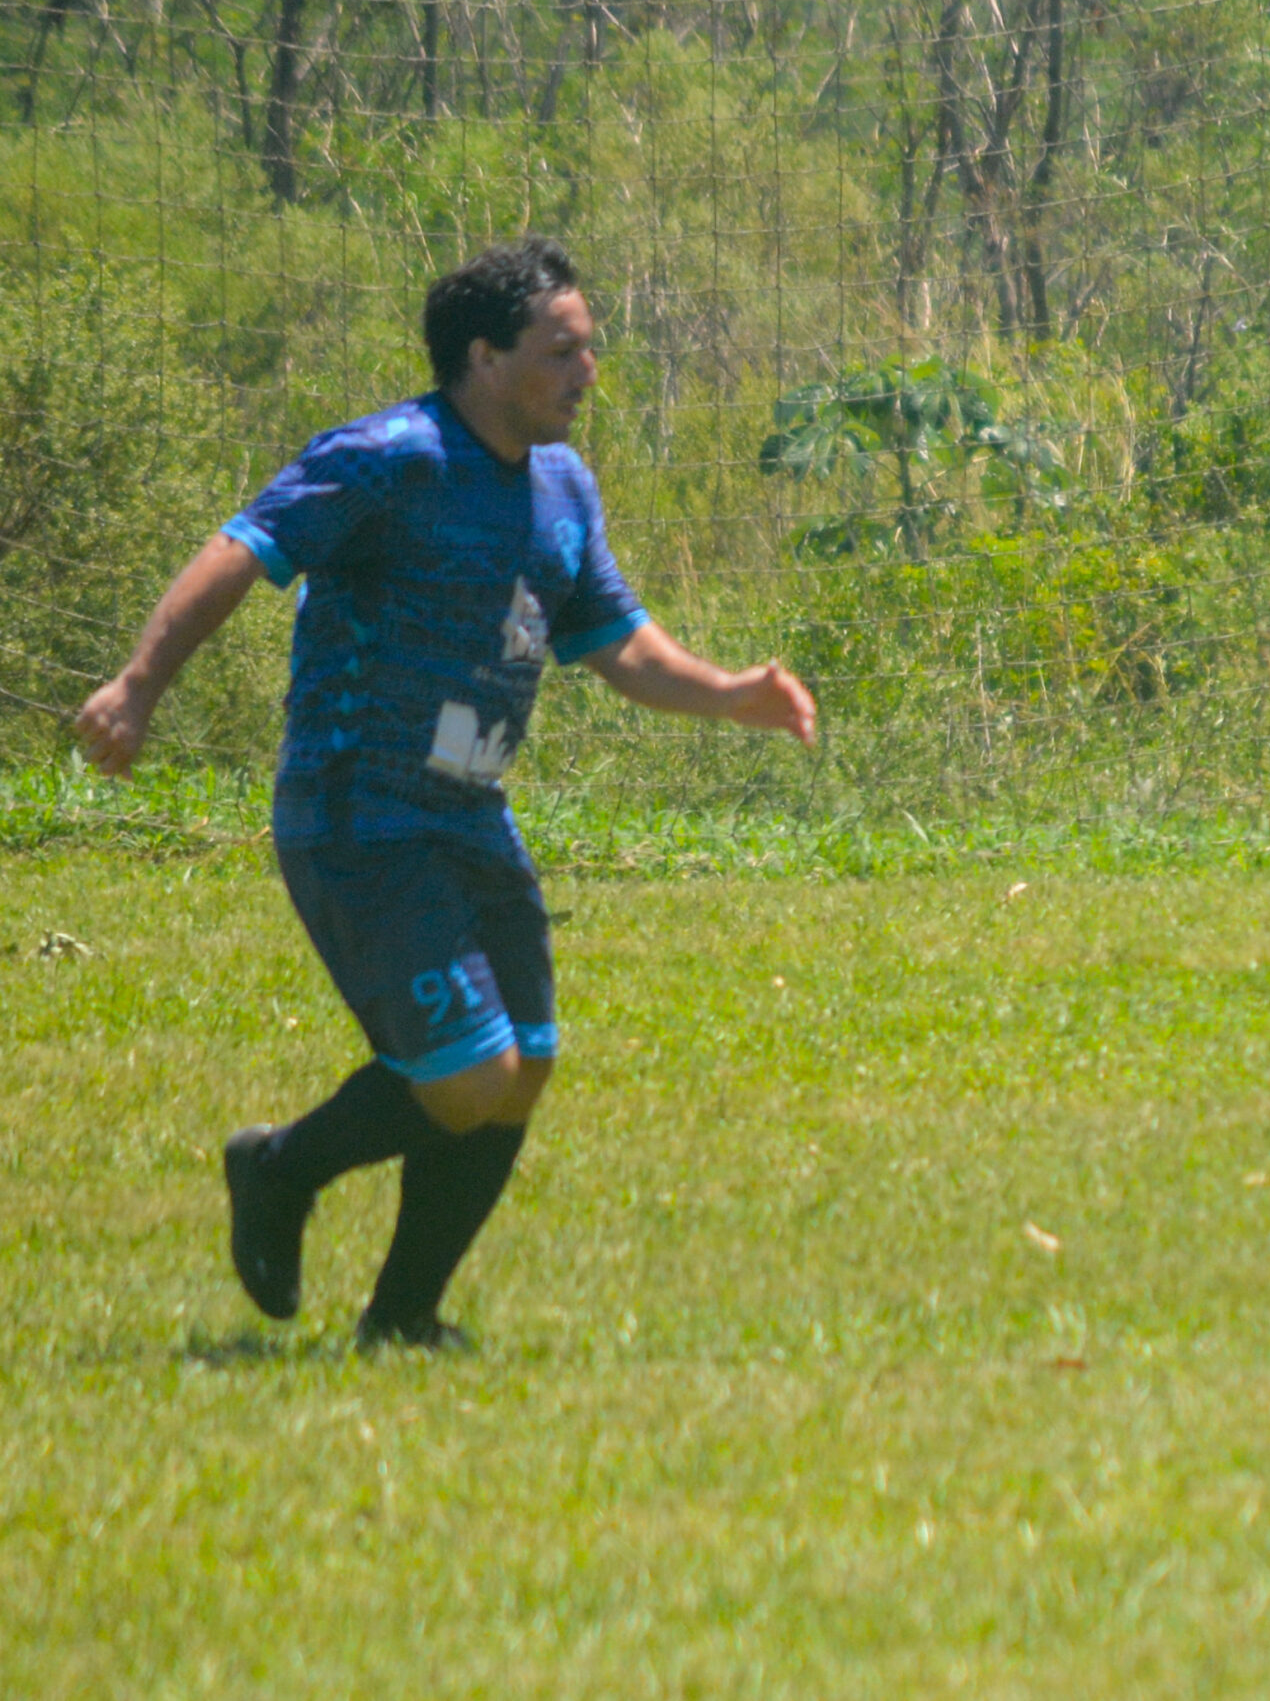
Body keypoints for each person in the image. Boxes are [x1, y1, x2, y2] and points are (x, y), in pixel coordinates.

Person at [73, 240, 816, 1349]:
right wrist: (138, 685)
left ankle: (403, 1317)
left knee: (525, 1064)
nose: (587, 370)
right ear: (482, 356)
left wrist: (730, 693)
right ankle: (279, 1169)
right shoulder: (388, 457)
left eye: (589, 349)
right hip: (358, 811)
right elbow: (242, 548)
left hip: (470, 814)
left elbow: (616, 641)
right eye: (561, 350)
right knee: (471, 1074)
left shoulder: (563, 486)